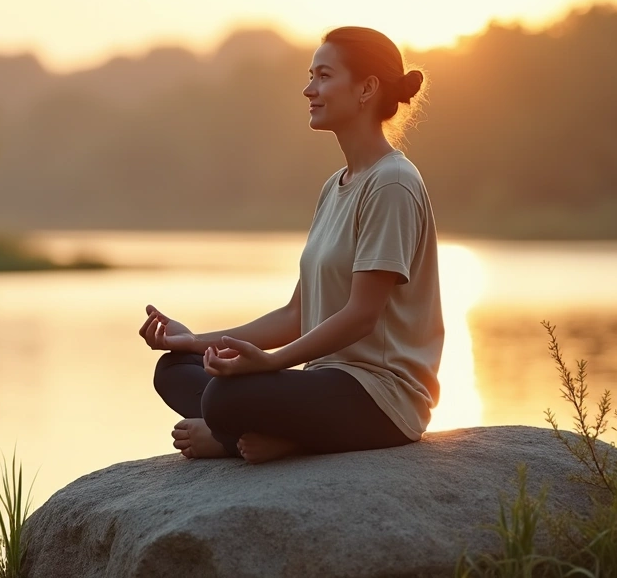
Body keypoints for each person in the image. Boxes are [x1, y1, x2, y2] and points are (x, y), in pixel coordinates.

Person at [139, 26, 444, 464]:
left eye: (323, 76)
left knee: (223, 399)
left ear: (367, 88)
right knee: (176, 370)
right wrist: (193, 342)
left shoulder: (392, 183)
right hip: (322, 384)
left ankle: (240, 439)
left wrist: (270, 363)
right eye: (310, 75)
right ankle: (274, 434)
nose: (308, 90)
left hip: (380, 396)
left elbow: (362, 316)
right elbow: (296, 315)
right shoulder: (335, 188)